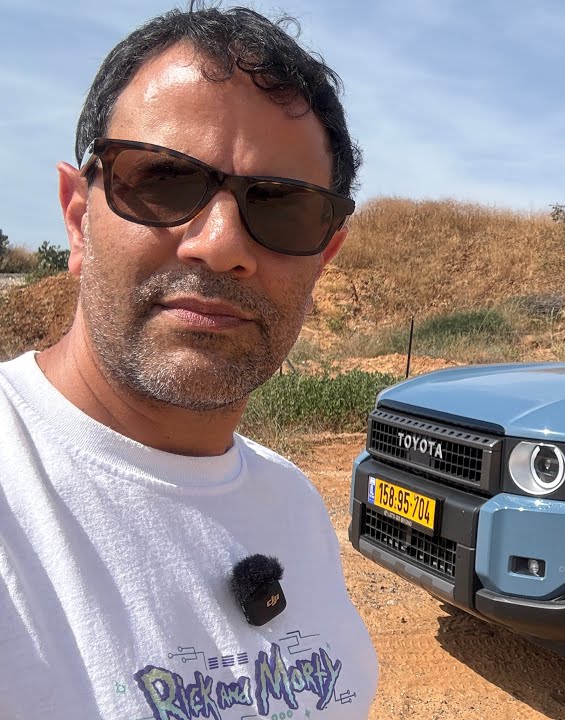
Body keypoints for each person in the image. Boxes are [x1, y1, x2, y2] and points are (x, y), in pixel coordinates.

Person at [0, 6, 378, 718]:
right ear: (78, 219)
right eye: (164, 180)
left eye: (283, 206)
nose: (221, 244)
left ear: (323, 257)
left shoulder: (293, 500)